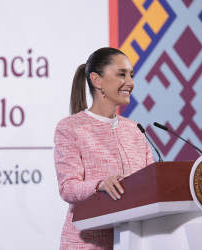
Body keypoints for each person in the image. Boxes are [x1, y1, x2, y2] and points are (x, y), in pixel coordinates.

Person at [54, 47, 155, 249]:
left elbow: (152, 184)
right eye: (121, 74)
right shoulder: (70, 128)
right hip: (86, 243)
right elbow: (68, 188)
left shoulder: (135, 129)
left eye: (131, 75)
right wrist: (99, 185)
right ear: (96, 80)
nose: (130, 83)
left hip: (134, 241)